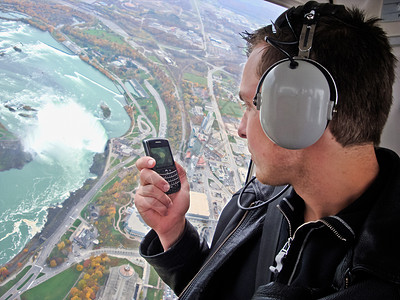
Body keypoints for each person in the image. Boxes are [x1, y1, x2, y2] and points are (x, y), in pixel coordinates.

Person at [134, 1, 399, 299]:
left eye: (250, 105)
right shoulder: (256, 200)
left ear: (303, 112)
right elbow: (212, 290)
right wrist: (173, 233)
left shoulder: (378, 283)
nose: (241, 129)